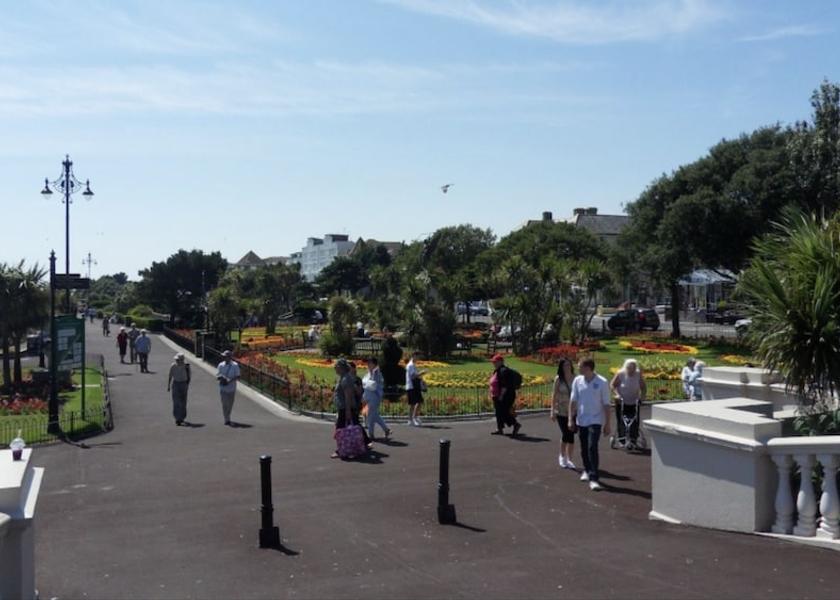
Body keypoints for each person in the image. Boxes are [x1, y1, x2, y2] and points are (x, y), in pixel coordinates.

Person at [569, 357, 611, 491]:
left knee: (592, 446)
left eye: (579, 366)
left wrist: (607, 423)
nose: (577, 368)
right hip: (582, 420)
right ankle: (586, 470)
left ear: (587, 368)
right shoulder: (577, 380)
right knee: (584, 447)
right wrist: (570, 418)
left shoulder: (602, 382)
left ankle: (594, 478)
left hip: (596, 420)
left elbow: (606, 404)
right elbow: (573, 400)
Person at [332, 358, 367, 459]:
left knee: (340, 430)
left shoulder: (346, 379)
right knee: (352, 428)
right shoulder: (343, 377)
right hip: (345, 408)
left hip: (345, 409)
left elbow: (348, 396)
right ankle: (355, 447)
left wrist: (347, 411)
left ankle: (341, 450)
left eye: (336, 366)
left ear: (341, 367)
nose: (335, 368)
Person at [610, 358, 646, 447]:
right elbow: (612, 385)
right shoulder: (620, 374)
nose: (631, 370)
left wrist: (642, 397)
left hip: (634, 402)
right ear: (626, 367)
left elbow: (643, 387)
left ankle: (633, 439)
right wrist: (617, 394)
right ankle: (622, 440)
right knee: (621, 420)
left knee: (635, 421)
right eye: (629, 368)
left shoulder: (638, 374)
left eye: (633, 368)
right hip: (621, 402)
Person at [550, 357, 576, 469]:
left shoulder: (576, 378)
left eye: (568, 365)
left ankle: (569, 458)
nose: (567, 367)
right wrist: (552, 410)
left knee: (571, 435)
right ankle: (562, 455)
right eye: (564, 365)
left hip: (574, 411)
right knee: (566, 433)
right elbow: (554, 395)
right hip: (561, 410)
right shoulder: (558, 379)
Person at [490, 353, 522, 436]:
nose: (493, 363)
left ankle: (515, 424)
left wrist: (501, 396)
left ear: (501, 362)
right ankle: (499, 429)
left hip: (505, 395)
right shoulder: (498, 370)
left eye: (495, 362)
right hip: (498, 395)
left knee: (504, 412)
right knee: (498, 412)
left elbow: (505, 386)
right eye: (493, 362)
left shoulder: (503, 371)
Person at [363, 357, 390, 440]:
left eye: (370, 363)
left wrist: (366, 383)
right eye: (367, 363)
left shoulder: (376, 373)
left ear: (374, 364)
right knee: (374, 415)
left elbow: (372, 385)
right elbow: (366, 385)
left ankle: (370, 434)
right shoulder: (369, 373)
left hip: (374, 397)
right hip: (368, 396)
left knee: (371, 415)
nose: (368, 364)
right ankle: (386, 429)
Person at [349, 362, 372, 447]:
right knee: (353, 423)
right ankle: (358, 440)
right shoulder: (347, 378)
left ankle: (365, 440)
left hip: (355, 403)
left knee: (355, 422)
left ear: (354, 369)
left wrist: (354, 387)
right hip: (349, 403)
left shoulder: (357, 379)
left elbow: (360, 392)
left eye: (350, 368)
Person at [167, 353, 191, 425]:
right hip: (176, 384)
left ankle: (182, 417)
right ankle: (177, 418)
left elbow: (189, 376)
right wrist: (168, 385)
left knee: (183, 401)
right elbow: (170, 376)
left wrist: (187, 385)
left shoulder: (186, 366)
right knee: (176, 401)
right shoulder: (173, 366)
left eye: (178, 360)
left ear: (182, 360)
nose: (176, 361)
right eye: (176, 360)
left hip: (183, 384)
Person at [405, 351, 426, 426]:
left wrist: (420, 378)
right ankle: (411, 420)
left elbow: (415, 376)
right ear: (413, 356)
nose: (418, 359)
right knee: (413, 404)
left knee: (419, 401)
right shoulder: (410, 365)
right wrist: (421, 373)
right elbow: (413, 376)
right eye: (417, 357)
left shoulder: (413, 365)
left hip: (415, 386)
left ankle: (415, 417)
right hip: (411, 386)